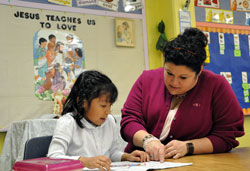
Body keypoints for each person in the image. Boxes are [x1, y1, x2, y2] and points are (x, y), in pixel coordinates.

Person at [120, 28, 245, 162]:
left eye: (183, 77)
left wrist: (188, 147)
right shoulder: (147, 79)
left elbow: (227, 136)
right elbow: (129, 120)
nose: (174, 82)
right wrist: (147, 140)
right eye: (169, 73)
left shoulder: (216, 86)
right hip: (141, 162)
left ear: (200, 71)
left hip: (194, 164)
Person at [47, 70, 149, 171]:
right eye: (103, 106)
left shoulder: (109, 121)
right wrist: (84, 161)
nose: (108, 111)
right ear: (83, 102)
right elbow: (53, 157)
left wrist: (126, 157)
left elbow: (111, 153)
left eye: (110, 106)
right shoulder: (68, 122)